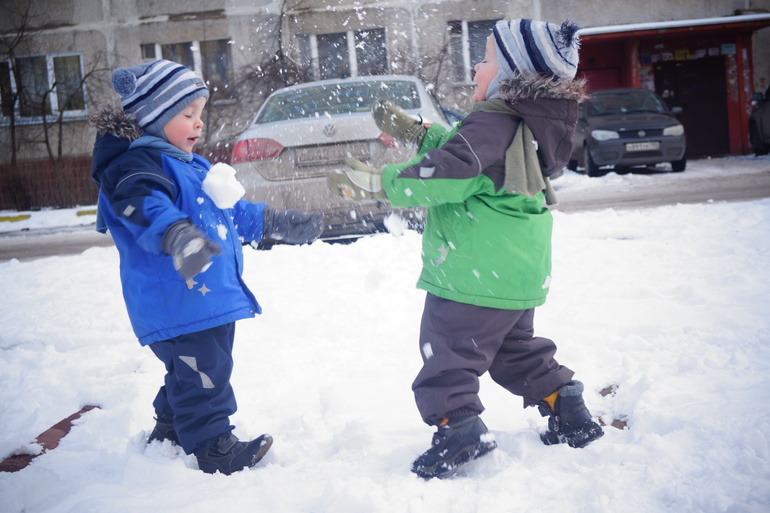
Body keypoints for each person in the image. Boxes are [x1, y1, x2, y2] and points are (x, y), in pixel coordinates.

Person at [328, 19, 603, 479]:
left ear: (511, 73)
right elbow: (474, 157)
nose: (477, 64)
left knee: (448, 350)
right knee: (514, 350)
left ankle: (460, 428)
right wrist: (421, 133)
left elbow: (457, 170)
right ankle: (567, 406)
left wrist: (382, 182)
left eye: (487, 57)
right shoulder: (525, 121)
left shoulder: (494, 121)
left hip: (477, 271)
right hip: (515, 271)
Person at [91, 59, 323, 475]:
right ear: (153, 118)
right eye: (186, 115)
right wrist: (177, 236)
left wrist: (274, 223)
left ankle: (171, 426)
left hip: (202, 295)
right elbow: (143, 207)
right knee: (206, 372)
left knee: (191, 369)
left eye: (200, 113)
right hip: (179, 296)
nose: (198, 124)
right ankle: (213, 445)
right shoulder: (134, 168)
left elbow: (229, 212)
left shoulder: (189, 164)